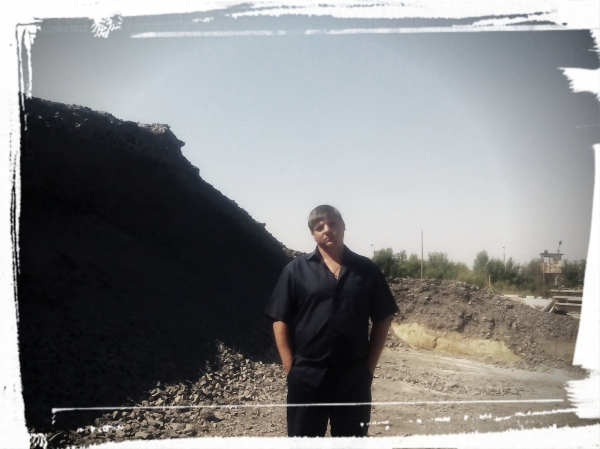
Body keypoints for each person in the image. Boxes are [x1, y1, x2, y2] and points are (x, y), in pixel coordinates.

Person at [264, 205, 399, 437]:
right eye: (319, 227)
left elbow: (382, 318)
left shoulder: (366, 271)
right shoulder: (295, 271)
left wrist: (368, 368)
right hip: (307, 378)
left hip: (353, 379)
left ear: (343, 226)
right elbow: (280, 318)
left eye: (333, 223)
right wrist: (290, 367)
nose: (327, 229)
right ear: (313, 234)